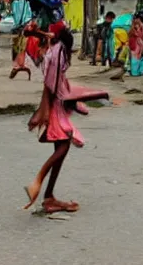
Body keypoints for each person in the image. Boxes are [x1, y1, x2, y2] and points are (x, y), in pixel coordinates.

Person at [24, 22, 108, 213]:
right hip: (55, 104)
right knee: (63, 146)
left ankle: (49, 196)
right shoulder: (59, 51)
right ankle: (38, 181)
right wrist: (43, 110)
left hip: (58, 101)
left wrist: (35, 31)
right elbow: (50, 84)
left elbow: (44, 35)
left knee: (61, 148)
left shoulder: (54, 47)